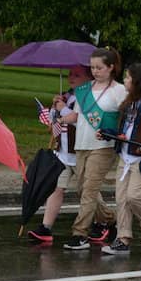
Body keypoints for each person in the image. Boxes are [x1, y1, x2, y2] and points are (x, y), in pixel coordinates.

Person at [59, 47, 127, 250]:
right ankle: (110, 218)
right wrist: (60, 115)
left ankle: (80, 234)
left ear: (111, 68)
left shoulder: (119, 90)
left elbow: (127, 117)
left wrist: (117, 134)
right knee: (82, 189)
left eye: (99, 67)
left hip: (103, 147)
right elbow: (78, 117)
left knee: (89, 190)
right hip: (81, 145)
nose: (95, 71)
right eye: (92, 67)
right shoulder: (84, 90)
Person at [98, 63, 141, 255]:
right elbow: (124, 130)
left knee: (134, 196)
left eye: (128, 77)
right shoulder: (128, 103)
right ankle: (123, 239)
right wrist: (108, 134)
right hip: (125, 156)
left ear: (138, 81)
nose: (125, 80)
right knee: (121, 199)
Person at [27, 65, 93, 242]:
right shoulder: (65, 95)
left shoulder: (89, 96)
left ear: (88, 77)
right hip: (63, 153)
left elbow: (80, 120)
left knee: (87, 192)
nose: (72, 78)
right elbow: (54, 121)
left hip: (80, 152)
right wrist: (55, 110)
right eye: (70, 74)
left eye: (77, 75)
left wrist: (63, 109)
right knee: (56, 188)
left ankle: (106, 220)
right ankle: (46, 227)